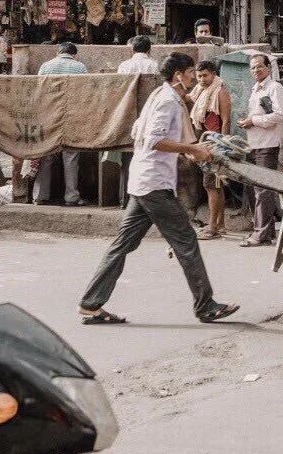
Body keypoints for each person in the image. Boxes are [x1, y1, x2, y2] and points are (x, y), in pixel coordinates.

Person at [79, 53, 239, 325]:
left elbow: (139, 133)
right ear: (178, 75)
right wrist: (190, 149)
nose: (193, 78)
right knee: (186, 241)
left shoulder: (158, 96)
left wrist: (191, 152)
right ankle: (206, 305)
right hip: (154, 184)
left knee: (122, 245)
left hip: (143, 181)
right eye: (190, 72)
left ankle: (90, 304)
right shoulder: (167, 101)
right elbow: (154, 139)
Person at [238, 53, 283, 247]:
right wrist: (248, 121)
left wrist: (253, 120)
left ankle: (261, 234)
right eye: (252, 67)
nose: (256, 70)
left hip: (267, 145)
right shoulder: (255, 89)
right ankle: (265, 232)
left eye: (259, 66)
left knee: (263, 191)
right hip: (254, 143)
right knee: (256, 189)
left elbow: (280, 115)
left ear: (268, 67)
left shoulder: (275, 88)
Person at [34, 43, 88, 207]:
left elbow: (38, 91)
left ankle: (40, 196)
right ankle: (71, 197)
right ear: (74, 55)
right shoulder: (80, 67)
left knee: (46, 155)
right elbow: (86, 92)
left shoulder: (46, 66)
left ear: (58, 52)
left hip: (48, 115)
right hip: (72, 115)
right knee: (71, 156)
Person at [188, 60, 231, 240]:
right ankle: (220, 225)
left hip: (214, 145)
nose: (202, 79)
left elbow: (226, 121)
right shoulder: (201, 91)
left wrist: (221, 147)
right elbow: (187, 98)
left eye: (205, 76)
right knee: (215, 186)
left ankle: (213, 227)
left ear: (213, 74)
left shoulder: (219, 92)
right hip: (205, 142)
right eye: (199, 76)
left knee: (211, 185)